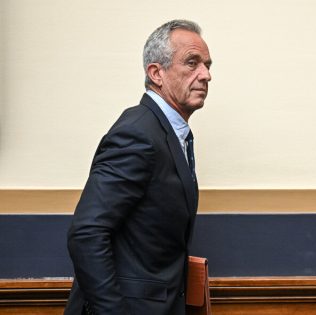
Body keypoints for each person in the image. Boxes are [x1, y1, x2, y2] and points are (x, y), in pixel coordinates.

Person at [64, 19, 212, 315]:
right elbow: (86, 234)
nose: (206, 75)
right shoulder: (138, 132)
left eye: (207, 65)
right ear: (156, 73)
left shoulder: (171, 133)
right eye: (192, 63)